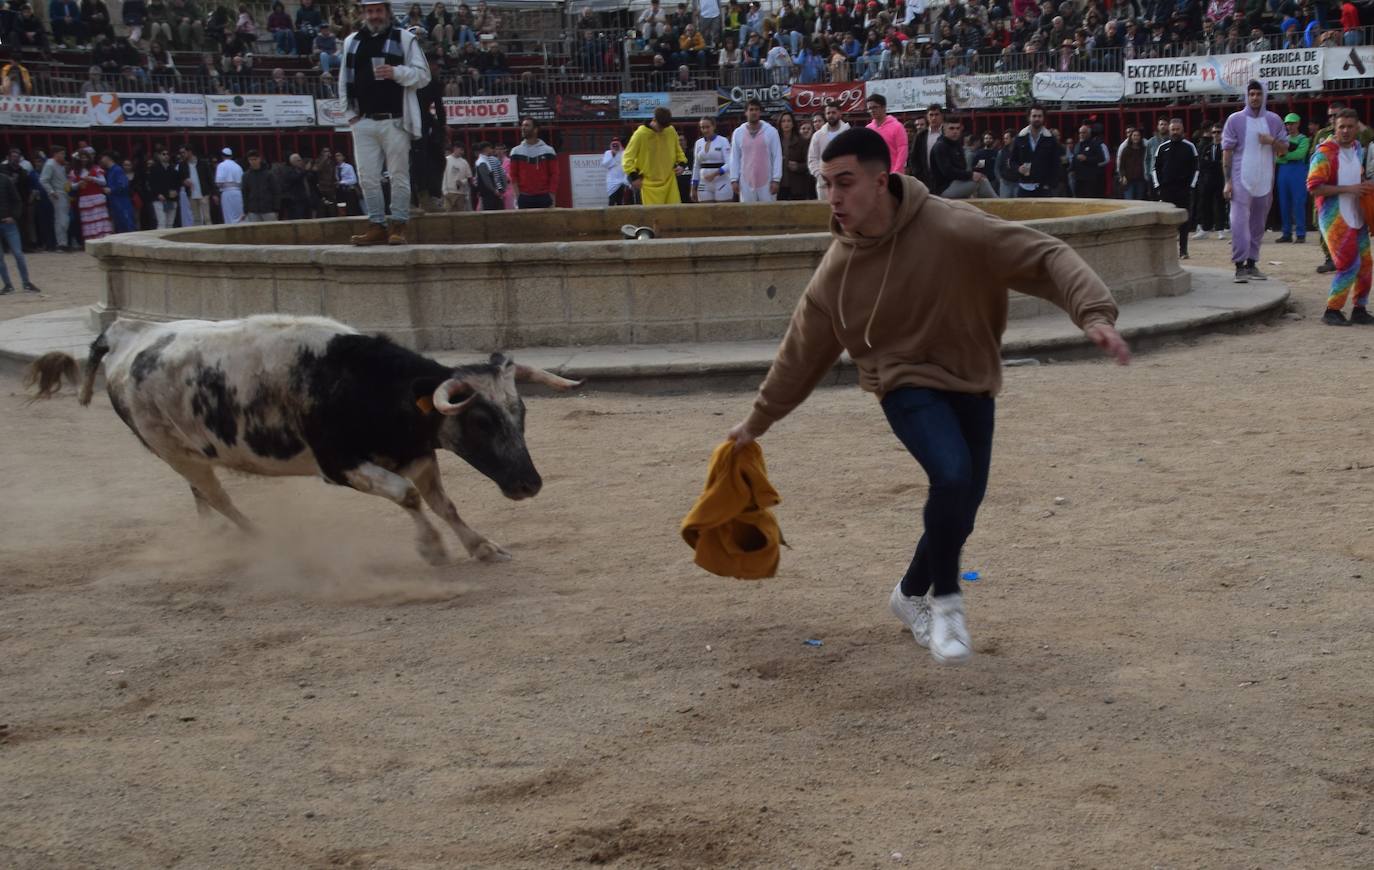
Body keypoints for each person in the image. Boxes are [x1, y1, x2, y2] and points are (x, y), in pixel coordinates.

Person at [723, 127, 1129, 665]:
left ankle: (908, 594)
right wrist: (757, 422)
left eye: (845, 183)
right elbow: (799, 355)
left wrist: (1093, 315)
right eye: (826, 184)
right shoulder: (835, 274)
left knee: (963, 505)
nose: (834, 198)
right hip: (901, 381)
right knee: (952, 475)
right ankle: (947, 604)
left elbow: (1046, 254)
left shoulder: (953, 226)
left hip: (972, 377)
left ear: (880, 180)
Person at [339, 0, 431, 246]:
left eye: (379, 10)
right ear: (363, 14)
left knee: (399, 175)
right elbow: (343, 81)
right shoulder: (352, 42)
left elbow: (423, 76)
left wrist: (397, 72)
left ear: (387, 12)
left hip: (395, 119)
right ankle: (376, 224)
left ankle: (398, 224)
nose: (374, 15)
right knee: (367, 177)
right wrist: (350, 116)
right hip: (363, 120)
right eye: (370, 11)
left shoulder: (404, 39)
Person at [1308, 109, 1374, 327]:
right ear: (1334, 128)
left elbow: (1357, 176)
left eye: (1350, 127)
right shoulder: (1324, 153)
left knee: (1365, 264)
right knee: (1348, 264)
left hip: (1356, 213)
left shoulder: (1356, 148)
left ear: (1357, 128)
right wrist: (1350, 189)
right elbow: (1315, 188)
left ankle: (1360, 309)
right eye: (1341, 127)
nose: (1345, 131)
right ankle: (1332, 310)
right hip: (1334, 215)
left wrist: (1364, 187)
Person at [1222, 80, 1289, 283]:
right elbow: (1226, 152)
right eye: (1251, 94)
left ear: (1264, 95)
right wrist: (1227, 181)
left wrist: (1271, 141)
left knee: (1258, 224)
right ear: (1246, 96)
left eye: (1258, 94)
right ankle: (1239, 266)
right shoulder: (1235, 120)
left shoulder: (1274, 120)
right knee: (1238, 223)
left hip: (1265, 181)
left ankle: (1252, 264)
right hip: (1241, 179)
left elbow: (1284, 149)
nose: (1254, 97)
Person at [1152, 118, 1199, 260]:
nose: (1175, 132)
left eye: (1178, 129)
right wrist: (1158, 186)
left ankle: (1183, 250)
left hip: (1184, 190)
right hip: (1166, 190)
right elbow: (1155, 169)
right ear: (1169, 130)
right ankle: (1168, 251)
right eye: (1173, 129)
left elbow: (1196, 168)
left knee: (1184, 221)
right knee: (1167, 221)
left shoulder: (1190, 147)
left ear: (1182, 130)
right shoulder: (1162, 147)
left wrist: (1191, 186)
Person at [622, 106, 688, 206]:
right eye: (660, 126)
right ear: (654, 119)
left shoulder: (670, 130)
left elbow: (678, 151)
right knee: (653, 218)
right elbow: (627, 157)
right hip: (649, 185)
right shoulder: (640, 134)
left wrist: (682, 165)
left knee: (674, 215)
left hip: (670, 182)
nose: (662, 130)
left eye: (664, 127)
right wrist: (634, 177)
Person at [930, 116, 997, 200]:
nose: (955, 131)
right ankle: (1001, 206)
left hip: (957, 183)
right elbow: (948, 172)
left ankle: (998, 205)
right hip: (943, 189)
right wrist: (971, 175)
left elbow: (962, 168)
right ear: (944, 129)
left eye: (958, 128)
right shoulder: (940, 146)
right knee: (980, 181)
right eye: (951, 128)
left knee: (982, 179)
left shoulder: (957, 145)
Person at [729, 99, 782, 203]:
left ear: (760, 112)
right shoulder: (738, 133)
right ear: (746, 112)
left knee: (768, 215)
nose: (754, 112)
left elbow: (777, 156)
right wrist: (733, 179)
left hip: (767, 182)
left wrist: (776, 179)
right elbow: (734, 157)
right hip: (745, 182)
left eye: (756, 109)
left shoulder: (771, 131)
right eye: (751, 109)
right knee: (748, 215)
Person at [1275, 112, 1311, 244]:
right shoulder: (1282, 139)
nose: (1289, 126)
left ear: (1298, 124)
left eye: (1292, 123)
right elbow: (1276, 158)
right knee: (1284, 203)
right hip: (1284, 173)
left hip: (1298, 172)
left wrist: (1284, 156)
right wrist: (1285, 157)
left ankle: (1301, 234)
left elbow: (1300, 154)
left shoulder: (1303, 139)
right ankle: (1286, 233)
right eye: (1287, 124)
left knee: (1298, 203)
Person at [0, 168, 38, 294]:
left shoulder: (5, 179)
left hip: (8, 222)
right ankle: (10, 285)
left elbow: (17, 200)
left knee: (18, 254)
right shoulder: (5, 179)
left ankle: (23, 283)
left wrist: (14, 216)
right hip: (8, 222)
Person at [508, 117, 559, 209]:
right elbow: (513, 175)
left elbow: (554, 175)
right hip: (524, 196)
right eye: (522, 125)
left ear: (535, 129)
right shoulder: (515, 151)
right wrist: (517, 196)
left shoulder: (548, 150)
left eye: (527, 125)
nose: (523, 128)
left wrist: (552, 195)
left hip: (544, 196)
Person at [1009, 106, 1060, 197]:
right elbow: (1012, 160)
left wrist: (1050, 184)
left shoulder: (1050, 139)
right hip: (1023, 186)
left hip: (1044, 188)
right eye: (1034, 116)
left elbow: (1056, 164)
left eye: (1040, 116)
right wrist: (1018, 168)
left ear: (1043, 118)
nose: (1037, 119)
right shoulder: (1020, 137)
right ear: (1029, 117)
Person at [807, 103, 850, 202]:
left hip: (844, 183)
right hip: (823, 185)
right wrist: (820, 176)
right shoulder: (817, 136)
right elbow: (812, 159)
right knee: (824, 215)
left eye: (833, 112)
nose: (830, 115)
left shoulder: (849, 133)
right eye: (828, 113)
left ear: (840, 113)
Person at [1194, 122, 1227, 241]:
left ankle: (1220, 229)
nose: (1216, 135)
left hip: (1221, 179)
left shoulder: (1225, 147)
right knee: (1205, 204)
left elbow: (1224, 164)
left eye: (1219, 132)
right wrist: (1214, 164)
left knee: (1220, 204)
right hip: (1207, 180)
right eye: (1214, 132)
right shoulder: (1207, 147)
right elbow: (1202, 163)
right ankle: (1205, 229)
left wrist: (1213, 164)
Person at [71, 153, 112, 243]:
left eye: (85, 158)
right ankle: (92, 241)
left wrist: (93, 178)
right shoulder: (74, 172)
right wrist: (79, 184)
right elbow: (72, 186)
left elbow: (103, 182)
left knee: (100, 219)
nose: (84, 160)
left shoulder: (96, 169)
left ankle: (103, 239)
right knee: (88, 221)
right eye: (82, 158)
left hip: (97, 197)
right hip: (84, 199)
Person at [865, 94, 907, 177]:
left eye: (875, 107)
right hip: (874, 176)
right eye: (869, 108)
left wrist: (896, 172)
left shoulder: (897, 126)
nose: (872, 111)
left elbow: (902, 151)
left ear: (884, 107)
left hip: (894, 175)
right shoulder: (868, 129)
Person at [691, 118, 732, 203]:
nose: (705, 130)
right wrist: (693, 187)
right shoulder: (698, 143)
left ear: (713, 126)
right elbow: (696, 166)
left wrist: (715, 174)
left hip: (722, 182)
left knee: (724, 212)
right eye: (702, 127)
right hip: (703, 183)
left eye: (707, 127)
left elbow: (729, 163)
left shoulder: (723, 141)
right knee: (706, 213)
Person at [40, 147, 72, 253]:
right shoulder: (50, 164)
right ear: (55, 154)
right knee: (61, 219)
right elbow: (43, 180)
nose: (64, 156)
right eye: (62, 154)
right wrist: (51, 192)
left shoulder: (61, 165)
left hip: (64, 193)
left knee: (63, 219)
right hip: (57, 194)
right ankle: (61, 243)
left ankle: (64, 242)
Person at [176, 143, 214, 227]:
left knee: (207, 217)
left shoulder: (202, 163)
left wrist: (213, 193)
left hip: (203, 193)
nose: (182, 155)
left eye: (183, 152)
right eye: (181, 153)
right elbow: (179, 179)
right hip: (191, 194)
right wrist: (184, 181)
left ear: (189, 152)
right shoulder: (182, 165)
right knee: (196, 218)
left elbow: (209, 178)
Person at [908, 103, 944, 187]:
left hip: (945, 178)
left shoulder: (947, 134)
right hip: (926, 178)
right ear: (927, 117)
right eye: (931, 115)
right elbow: (913, 157)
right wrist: (918, 174)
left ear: (942, 116)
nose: (934, 118)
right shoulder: (921, 136)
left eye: (936, 115)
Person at [1071, 123, 1110, 199]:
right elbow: (1074, 158)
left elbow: (1101, 158)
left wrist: (1087, 159)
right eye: (1080, 133)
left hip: (1090, 179)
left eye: (1083, 132)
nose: (1081, 135)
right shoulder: (1077, 145)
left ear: (1089, 133)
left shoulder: (1095, 144)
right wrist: (1071, 169)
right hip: (1078, 179)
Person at [100, 151, 134, 233]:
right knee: (120, 225)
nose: (101, 160)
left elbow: (124, 185)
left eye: (102, 158)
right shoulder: (110, 171)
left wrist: (111, 189)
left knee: (126, 224)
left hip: (121, 202)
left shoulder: (117, 170)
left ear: (108, 158)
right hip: (115, 201)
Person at [240, 149, 278, 222]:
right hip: (253, 210)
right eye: (250, 160)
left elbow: (276, 191)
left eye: (255, 159)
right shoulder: (246, 176)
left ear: (259, 159)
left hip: (268, 209)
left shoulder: (269, 174)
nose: (253, 162)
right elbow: (245, 193)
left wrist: (276, 208)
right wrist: (246, 210)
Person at [147, 145, 178, 230]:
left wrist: (176, 191)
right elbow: (151, 184)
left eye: (167, 154)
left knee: (170, 223)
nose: (166, 155)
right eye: (163, 154)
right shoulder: (154, 168)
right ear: (159, 156)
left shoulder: (173, 169)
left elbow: (177, 183)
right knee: (162, 222)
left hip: (171, 199)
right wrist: (157, 194)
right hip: (159, 199)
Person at [1117, 128, 1148, 201]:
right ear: (1131, 137)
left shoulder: (1144, 149)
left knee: (1140, 201)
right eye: (1134, 135)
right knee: (1129, 200)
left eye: (1138, 135)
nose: (1136, 137)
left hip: (1141, 180)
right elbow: (1121, 165)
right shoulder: (1126, 149)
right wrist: (1123, 176)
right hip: (1128, 180)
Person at [474, 141, 506, 211]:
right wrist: (494, 190)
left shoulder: (485, 160)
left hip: (490, 193)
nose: (492, 150)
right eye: (491, 148)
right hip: (489, 194)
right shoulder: (482, 162)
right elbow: (486, 179)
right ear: (486, 149)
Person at [441, 142, 473, 211]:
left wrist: (462, 182)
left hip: (461, 193)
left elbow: (469, 177)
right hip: (448, 192)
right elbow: (442, 176)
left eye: (463, 150)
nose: (462, 152)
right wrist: (444, 191)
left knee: (460, 215)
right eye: (461, 150)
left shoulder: (464, 162)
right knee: (448, 214)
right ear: (455, 148)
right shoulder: (446, 160)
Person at [216, 147, 244, 224]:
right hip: (239, 193)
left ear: (222, 156)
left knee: (229, 216)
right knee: (240, 216)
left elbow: (219, 183)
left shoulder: (221, 165)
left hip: (227, 193)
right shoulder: (238, 166)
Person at [602, 138, 633, 205]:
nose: (615, 146)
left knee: (620, 200)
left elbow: (626, 165)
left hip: (622, 180)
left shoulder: (624, 153)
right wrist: (613, 155)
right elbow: (605, 165)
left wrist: (626, 179)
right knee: (611, 199)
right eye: (614, 144)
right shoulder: (608, 153)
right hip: (612, 180)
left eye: (617, 144)